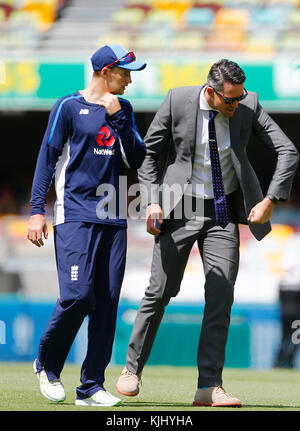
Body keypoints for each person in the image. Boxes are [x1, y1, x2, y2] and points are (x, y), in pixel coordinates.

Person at [116, 59, 299, 407]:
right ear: (212, 93)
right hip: (178, 209)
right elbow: (149, 154)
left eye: (240, 96)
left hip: (223, 212)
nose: (237, 104)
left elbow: (288, 150)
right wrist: (152, 201)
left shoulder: (248, 103)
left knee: (221, 295)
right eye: (230, 99)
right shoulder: (177, 100)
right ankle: (131, 369)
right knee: (160, 291)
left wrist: (271, 198)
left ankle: (209, 385)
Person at [27, 44, 146, 407]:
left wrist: (120, 119)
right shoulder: (67, 107)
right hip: (75, 214)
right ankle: (47, 365)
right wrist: (36, 210)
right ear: (106, 71)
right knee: (78, 296)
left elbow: (137, 157)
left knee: (107, 303)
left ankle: (91, 385)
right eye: (124, 73)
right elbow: (47, 159)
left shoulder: (122, 109)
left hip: (113, 216)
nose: (129, 80)